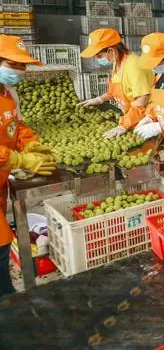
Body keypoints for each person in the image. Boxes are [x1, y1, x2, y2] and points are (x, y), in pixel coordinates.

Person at [0, 35, 56, 296]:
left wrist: (30, 144)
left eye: (23, 65)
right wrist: (17, 160)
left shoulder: (7, 92)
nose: (20, 70)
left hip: (1, 180)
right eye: (14, 64)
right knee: (2, 245)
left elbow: (16, 125)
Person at [78, 28, 154, 138]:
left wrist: (124, 125)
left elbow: (142, 100)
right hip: (132, 118)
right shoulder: (117, 63)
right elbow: (115, 90)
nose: (96, 59)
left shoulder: (134, 65)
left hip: (146, 121)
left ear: (111, 51)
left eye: (98, 55)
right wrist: (99, 99)